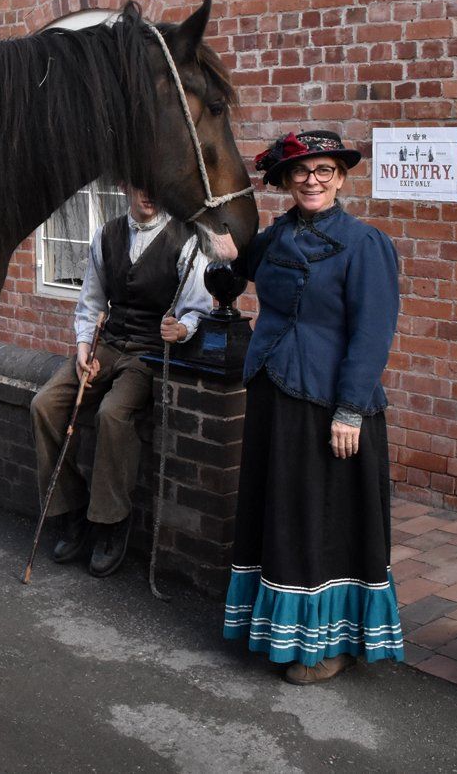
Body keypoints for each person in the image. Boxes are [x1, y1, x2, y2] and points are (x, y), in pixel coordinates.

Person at [223, 130, 404, 684]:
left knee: (321, 519)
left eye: (324, 170)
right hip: (274, 394)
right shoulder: (274, 238)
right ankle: (280, 630)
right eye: (300, 171)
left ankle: (330, 643)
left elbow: (372, 333)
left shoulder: (364, 244)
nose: (312, 180)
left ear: (342, 178)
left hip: (329, 402)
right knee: (280, 511)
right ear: (283, 181)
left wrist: (350, 410)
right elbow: (234, 276)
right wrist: (221, 254)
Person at [30, 186, 213, 577]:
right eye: (142, 186)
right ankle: (71, 511)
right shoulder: (107, 234)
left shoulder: (185, 243)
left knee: (114, 415)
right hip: (107, 345)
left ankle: (110, 523)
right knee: (44, 405)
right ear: (129, 187)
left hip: (146, 355)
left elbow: (197, 309)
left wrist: (180, 329)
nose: (151, 195)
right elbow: (92, 303)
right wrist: (83, 348)